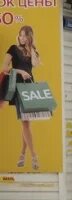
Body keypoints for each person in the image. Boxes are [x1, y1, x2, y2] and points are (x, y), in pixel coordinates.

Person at [0, 26, 41, 170]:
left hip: (29, 87)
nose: (22, 38)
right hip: (18, 87)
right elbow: (4, 68)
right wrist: (20, 71)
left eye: (25, 36)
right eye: (21, 35)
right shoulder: (13, 48)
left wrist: (32, 48)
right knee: (26, 122)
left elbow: (35, 64)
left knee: (26, 122)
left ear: (30, 37)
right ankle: (34, 156)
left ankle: (22, 154)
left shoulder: (33, 51)